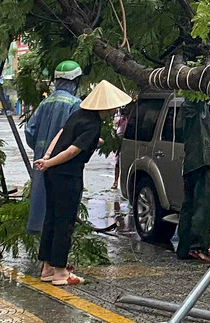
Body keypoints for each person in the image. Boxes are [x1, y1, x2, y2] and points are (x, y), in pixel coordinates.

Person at [36, 79, 131, 286]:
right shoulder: (93, 123)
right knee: (65, 222)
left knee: (51, 218)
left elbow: (62, 135)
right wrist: (50, 161)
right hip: (67, 175)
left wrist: (48, 158)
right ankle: (61, 272)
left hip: (53, 174)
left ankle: (47, 267)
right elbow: (72, 150)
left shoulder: (79, 114)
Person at [24, 61, 84, 240]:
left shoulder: (45, 103)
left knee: (41, 200)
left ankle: (41, 239)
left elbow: (30, 130)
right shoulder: (76, 104)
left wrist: (40, 150)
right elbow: (81, 136)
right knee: (62, 210)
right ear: (75, 80)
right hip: (65, 164)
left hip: (41, 160)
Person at [178, 98, 210, 263]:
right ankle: (197, 247)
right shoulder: (197, 107)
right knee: (203, 205)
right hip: (203, 161)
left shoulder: (187, 108)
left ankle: (185, 247)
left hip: (191, 162)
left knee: (189, 205)